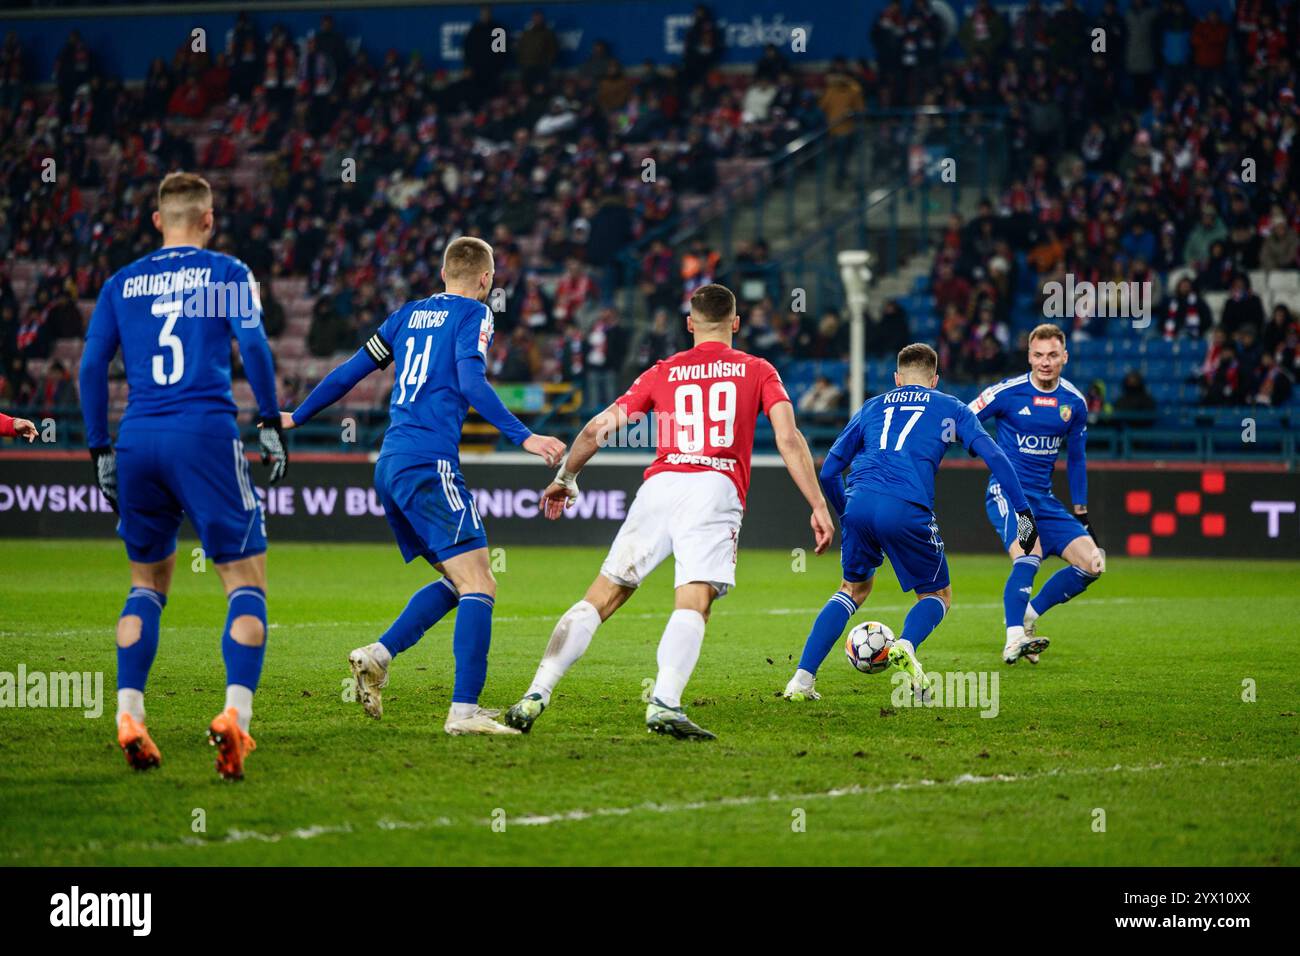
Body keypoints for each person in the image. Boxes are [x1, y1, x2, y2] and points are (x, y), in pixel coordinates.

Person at [504, 283, 833, 739]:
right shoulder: (758, 370)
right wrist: (817, 503)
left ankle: (535, 692)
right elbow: (788, 438)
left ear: (689, 323)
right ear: (735, 323)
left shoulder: (665, 371)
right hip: (714, 487)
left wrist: (565, 477)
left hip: (659, 486)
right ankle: (664, 704)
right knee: (695, 601)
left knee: (602, 595)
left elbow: (598, 428)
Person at [282, 237, 566, 735]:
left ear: (442, 273)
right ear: (485, 279)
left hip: (390, 462)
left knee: (460, 582)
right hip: (429, 463)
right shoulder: (475, 316)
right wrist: (525, 436)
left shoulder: (407, 314)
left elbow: (351, 370)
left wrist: (298, 415)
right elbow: (470, 382)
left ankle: (378, 655)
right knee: (481, 583)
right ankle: (463, 712)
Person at [78, 172, 286, 779]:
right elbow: (255, 346)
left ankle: (129, 713)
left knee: (146, 585)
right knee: (246, 582)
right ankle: (234, 720)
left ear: (156, 222)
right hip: (204, 435)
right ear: (208, 220)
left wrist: (99, 450)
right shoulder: (224, 274)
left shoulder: (122, 282)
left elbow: (92, 368)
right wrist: (270, 419)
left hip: (138, 437)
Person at [783, 343, 1038, 702]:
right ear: (934, 379)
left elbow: (829, 470)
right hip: (906, 506)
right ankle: (905, 643)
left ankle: (801, 681)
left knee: (852, 590)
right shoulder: (951, 407)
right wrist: (1023, 512)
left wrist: (845, 515)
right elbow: (995, 455)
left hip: (859, 501)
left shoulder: (871, 407)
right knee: (937, 595)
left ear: (896, 379)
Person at [969, 324, 1101, 665]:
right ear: (1029, 356)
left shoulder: (1074, 402)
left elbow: (1076, 458)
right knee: (1030, 555)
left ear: (1065, 357)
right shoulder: (1007, 392)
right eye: (1039, 355)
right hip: (1008, 494)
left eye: (1053, 355)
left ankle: (1029, 613)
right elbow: (963, 418)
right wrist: (976, 444)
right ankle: (1014, 637)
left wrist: (1082, 513)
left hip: (1044, 500)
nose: (1045, 362)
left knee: (1093, 564)